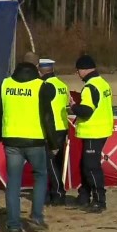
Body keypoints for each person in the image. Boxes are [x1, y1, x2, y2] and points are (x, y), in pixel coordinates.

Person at [0, 61, 59, 232]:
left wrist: (0, 135)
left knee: (13, 182)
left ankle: (13, 225)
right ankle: (36, 217)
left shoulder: (6, 84)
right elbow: (47, 116)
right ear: (36, 71)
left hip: (12, 140)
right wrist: (53, 143)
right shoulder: (40, 86)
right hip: (35, 140)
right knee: (40, 176)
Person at [70, 54, 114, 213]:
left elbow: (86, 111)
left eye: (78, 71)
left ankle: (99, 200)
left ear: (83, 69)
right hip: (102, 129)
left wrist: (73, 106)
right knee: (86, 164)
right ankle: (84, 195)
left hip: (92, 130)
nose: (77, 74)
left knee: (90, 166)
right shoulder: (103, 83)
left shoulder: (89, 87)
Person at [38, 58, 70, 206]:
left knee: (50, 163)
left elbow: (45, 111)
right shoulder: (61, 85)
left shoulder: (46, 86)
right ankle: (55, 192)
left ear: (40, 71)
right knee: (57, 162)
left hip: (52, 128)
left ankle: (58, 193)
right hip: (62, 126)